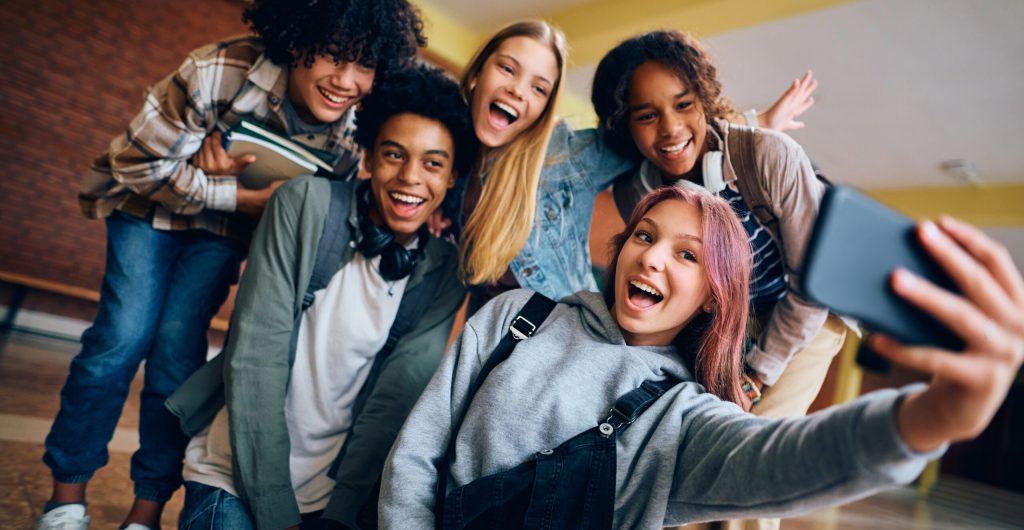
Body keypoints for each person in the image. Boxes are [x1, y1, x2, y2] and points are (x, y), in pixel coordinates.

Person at [380, 185, 1024, 529]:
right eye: (644, 236)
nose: (653, 258)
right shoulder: (516, 317)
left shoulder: (681, 418)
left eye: (687, 255)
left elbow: (786, 463)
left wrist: (935, 416)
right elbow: (417, 453)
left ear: (713, 299)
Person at [38, 1, 425, 529]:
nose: (346, 80)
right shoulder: (217, 70)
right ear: (295, 42)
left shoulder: (352, 134)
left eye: (365, 65)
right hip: (145, 212)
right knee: (119, 340)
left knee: (176, 359)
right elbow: (134, 165)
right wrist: (238, 197)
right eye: (333, 56)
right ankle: (65, 501)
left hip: (218, 234)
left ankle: (144, 512)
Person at [164, 65, 476, 530]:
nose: (411, 177)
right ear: (367, 158)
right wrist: (277, 513)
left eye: (433, 163)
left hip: (329, 497)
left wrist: (341, 515)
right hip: (236, 474)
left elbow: (393, 400)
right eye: (394, 155)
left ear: (451, 178)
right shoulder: (303, 205)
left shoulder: (443, 273)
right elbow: (255, 359)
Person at [591, 32, 854, 530]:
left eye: (683, 104)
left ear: (704, 99)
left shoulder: (771, 156)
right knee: (692, 444)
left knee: (755, 450)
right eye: (646, 115)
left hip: (810, 312)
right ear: (626, 126)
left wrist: (758, 372)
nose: (669, 129)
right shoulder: (640, 193)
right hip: (735, 315)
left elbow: (817, 281)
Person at [438, 21, 814, 313]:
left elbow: (657, 141)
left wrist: (756, 124)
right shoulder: (445, 165)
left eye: (539, 88)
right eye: (507, 69)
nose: (519, 91)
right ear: (476, 75)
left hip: (560, 330)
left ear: (546, 106)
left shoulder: (563, 154)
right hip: (488, 341)